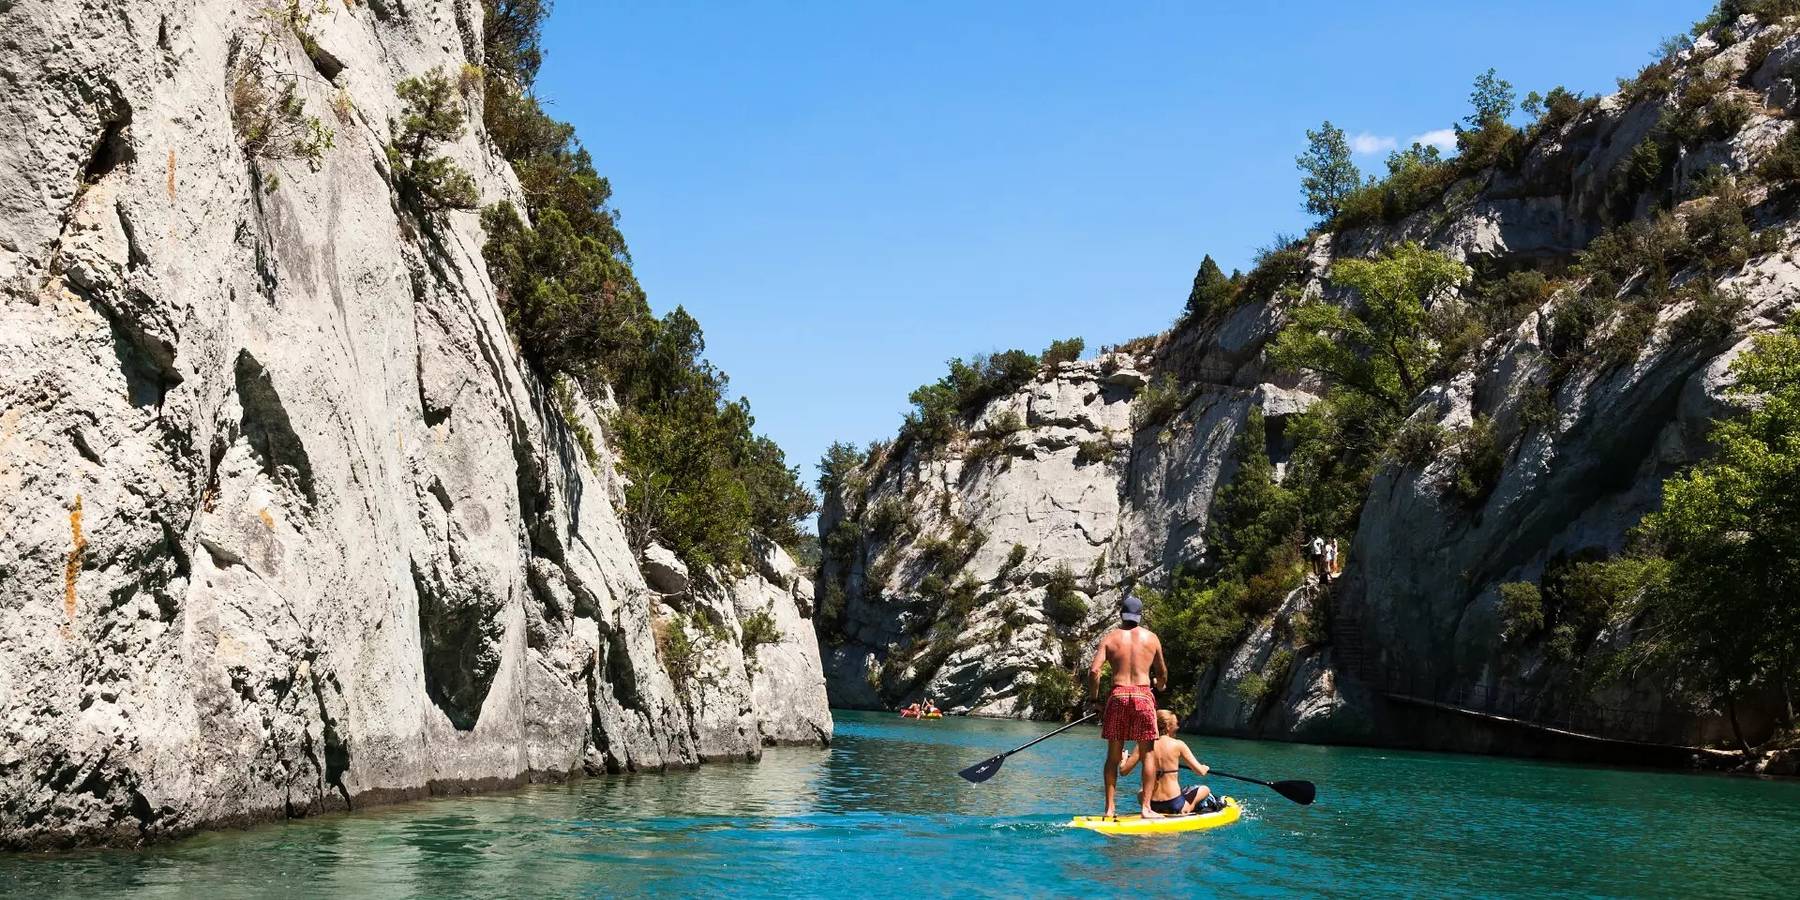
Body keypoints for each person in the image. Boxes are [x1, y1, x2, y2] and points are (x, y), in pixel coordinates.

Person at [1089, 594, 1168, 818]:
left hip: (1118, 695)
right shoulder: (1151, 638)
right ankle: (1146, 808)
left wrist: (1094, 700)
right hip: (1143, 695)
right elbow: (1162, 672)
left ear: (1121, 614)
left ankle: (1109, 809)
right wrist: (1160, 685)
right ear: (1140, 615)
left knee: (1113, 756)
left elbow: (1094, 671)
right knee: (1148, 754)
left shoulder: (1110, 638)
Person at [1120, 710, 1223, 816]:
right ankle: (1187, 808)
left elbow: (1123, 771)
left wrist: (1124, 759)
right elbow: (1200, 772)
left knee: (1140, 793)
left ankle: (1152, 809)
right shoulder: (1179, 745)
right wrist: (1205, 768)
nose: (1177, 727)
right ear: (1168, 726)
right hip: (1174, 804)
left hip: (1152, 804)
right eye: (1175, 724)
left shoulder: (1142, 745)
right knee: (1205, 789)